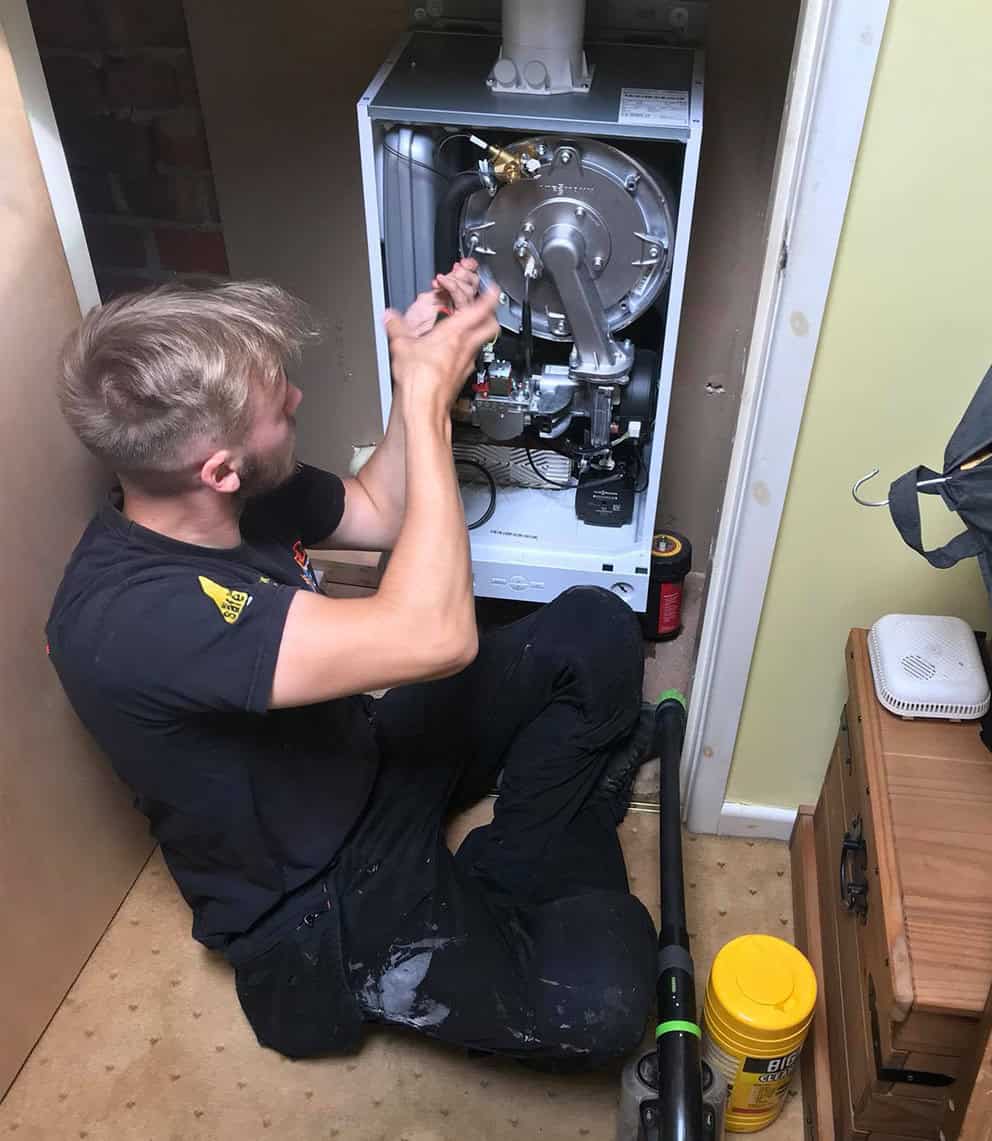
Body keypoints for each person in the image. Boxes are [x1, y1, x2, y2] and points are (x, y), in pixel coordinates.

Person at [46, 262, 659, 1066]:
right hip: (320, 893)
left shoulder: (224, 492)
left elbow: (377, 509)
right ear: (218, 466)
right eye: (279, 402)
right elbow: (435, 636)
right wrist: (432, 407)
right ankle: (503, 883)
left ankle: (509, 865)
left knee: (597, 627)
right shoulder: (134, 617)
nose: (297, 400)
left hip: (361, 754)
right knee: (607, 999)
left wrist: (422, 378)